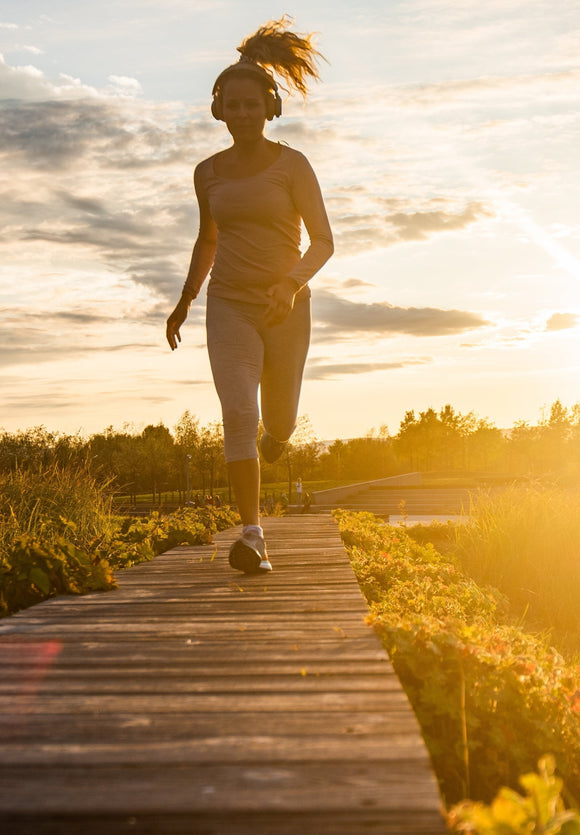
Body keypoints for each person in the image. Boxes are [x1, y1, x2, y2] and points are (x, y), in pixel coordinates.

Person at [165, 18, 332, 575]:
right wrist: (187, 299)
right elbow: (208, 239)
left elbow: (323, 242)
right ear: (218, 110)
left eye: (250, 105)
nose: (240, 115)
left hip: (286, 307)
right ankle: (253, 535)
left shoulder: (293, 166)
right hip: (229, 305)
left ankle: (276, 441)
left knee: (278, 422)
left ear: (269, 107)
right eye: (230, 106)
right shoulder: (207, 173)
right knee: (238, 411)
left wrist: (289, 284)